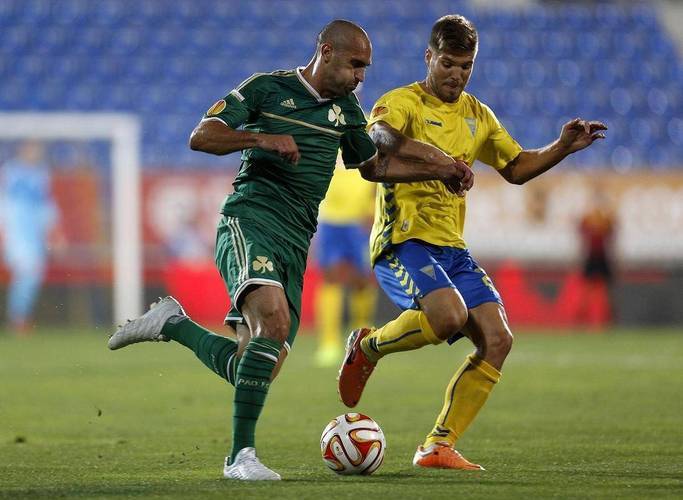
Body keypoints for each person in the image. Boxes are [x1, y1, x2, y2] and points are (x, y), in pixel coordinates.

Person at [107, 19, 473, 481]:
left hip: (297, 240)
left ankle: (172, 324)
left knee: (254, 364)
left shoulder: (347, 109)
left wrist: (439, 171)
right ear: (326, 51)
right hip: (251, 219)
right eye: (355, 65)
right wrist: (261, 138)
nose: (361, 76)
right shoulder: (266, 89)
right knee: (274, 323)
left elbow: (373, 167)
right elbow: (201, 136)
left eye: (365, 67)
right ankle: (239, 458)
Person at [338, 14, 607, 471]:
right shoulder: (402, 102)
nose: (456, 74)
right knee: (448, 316)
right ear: (429, 57)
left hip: (452, 250)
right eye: (448, 63)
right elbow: (379, 138)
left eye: (466, 66)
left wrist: (561, 147)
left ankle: (437, 446)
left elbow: (515, 167)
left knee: (498, 339)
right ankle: (368, 347)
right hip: (403, 240)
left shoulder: (477, 115)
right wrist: (440, 161)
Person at [314, 155, 377, 367]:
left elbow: (377, 175)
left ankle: (362, 336)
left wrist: (372, 208)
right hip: (331, 219)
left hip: (359, 218)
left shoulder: (369, 139)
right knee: (331, 278)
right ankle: (329, 342)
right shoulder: (329, 137)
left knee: (362, 280)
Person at [0, 141, 60, 334]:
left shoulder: (41, 174)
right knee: (27, 272)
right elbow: (4, 202)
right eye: (32, 149)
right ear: (23, 150)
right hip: (15, 233)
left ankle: (20, 317)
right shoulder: (10, 172)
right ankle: (18, 319)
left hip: (35, 236)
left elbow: (46, 206)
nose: (35, 153)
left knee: (32, 275)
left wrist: (54, 232)